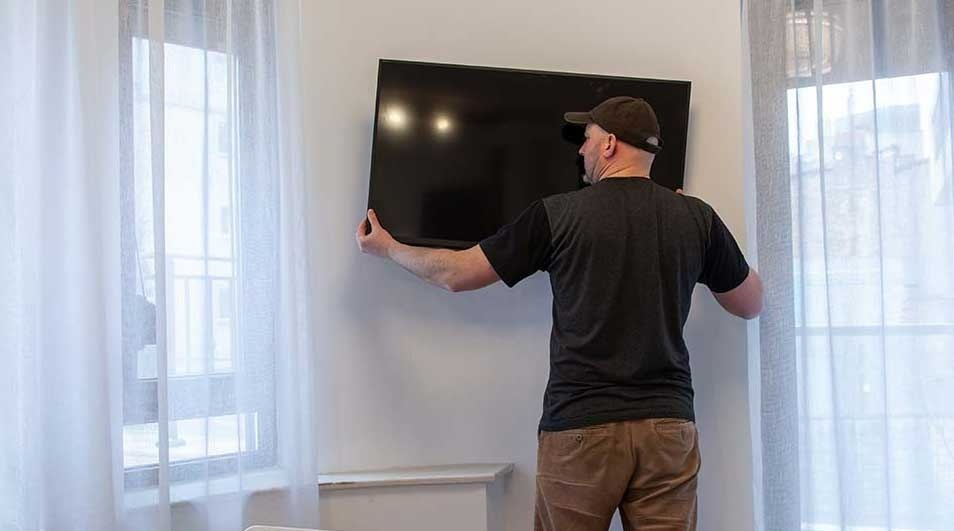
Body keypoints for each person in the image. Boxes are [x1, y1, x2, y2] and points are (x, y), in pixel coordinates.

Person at [355, 95, 763, 531]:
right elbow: (750, 303)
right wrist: (696, 231)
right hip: (668, 427)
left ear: (608, 145)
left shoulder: (558, 214)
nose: (580, 151)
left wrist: (388, 248)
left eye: (586, 139)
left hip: (580, 429)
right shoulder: (696, 218)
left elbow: (457, 274)